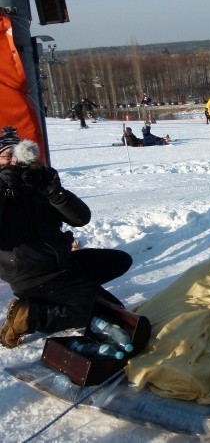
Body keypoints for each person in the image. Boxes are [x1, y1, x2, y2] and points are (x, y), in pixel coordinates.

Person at [0, 128, 132, 348]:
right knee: (112, 313)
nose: (14, 161)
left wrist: (54, 192)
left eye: (18, 154)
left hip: (61, 263)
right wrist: (3, 186)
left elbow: (81, 218)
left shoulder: (33, 183)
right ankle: (31, 314)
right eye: (7, 155)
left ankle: (70, 293)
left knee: (120, 260)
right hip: (32, 276)